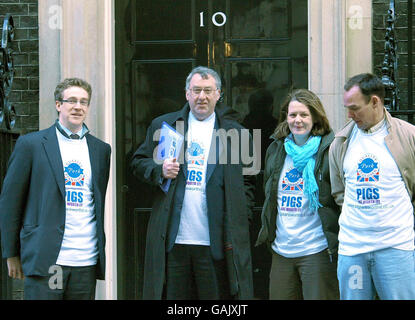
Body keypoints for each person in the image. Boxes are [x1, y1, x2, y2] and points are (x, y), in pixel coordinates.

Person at [130, 66, 256, 299]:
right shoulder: (165, 126)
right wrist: (159, 170)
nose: (202, 96)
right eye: (196, 90)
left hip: (215, 242)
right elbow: (138, 162)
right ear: (187, 93)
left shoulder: (235, 133)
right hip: (174, 240)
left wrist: (240, 219)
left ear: (218, 94)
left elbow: (248, 182)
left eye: (208, 90)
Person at [0, 78, 111, 300]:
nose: (78, 106)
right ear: (59, 104)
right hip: (49, 261)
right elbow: (10, 202)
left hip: (85, 261)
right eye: (72, 100)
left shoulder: (101, 150)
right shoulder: (31, 145)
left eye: (84, 102)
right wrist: (11, 253)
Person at [329, 73, 415, 300]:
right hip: (352, 250)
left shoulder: (408, 136)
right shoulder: (340, 142)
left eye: (355, 108)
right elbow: (339, 193)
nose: (349, 114)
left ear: (375, 101)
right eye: (347, 107)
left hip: (396, 249)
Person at [256, 88, 340, 300]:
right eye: (293, 115)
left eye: (304, 114)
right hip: (282, 250)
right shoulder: (276, 149)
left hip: (317, 250)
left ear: (315, 117)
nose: (298, 120)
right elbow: (270, 195)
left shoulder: (329, 150)